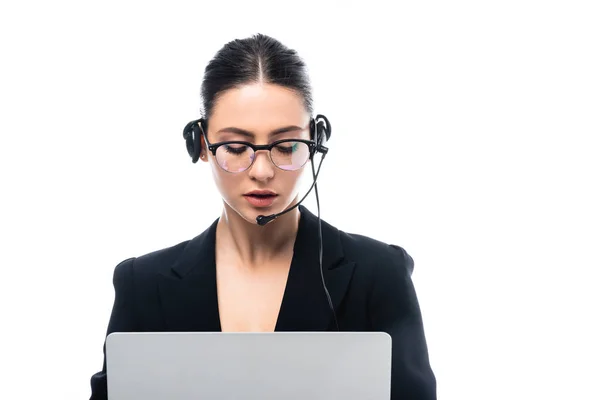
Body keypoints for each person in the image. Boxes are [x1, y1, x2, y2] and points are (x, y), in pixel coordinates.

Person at [89, 33, 436, 400]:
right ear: (201, 146)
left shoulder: (379, 274)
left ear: (316, 141)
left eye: (286, 146)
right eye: (237, 148)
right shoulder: (142, 284)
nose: (262, 171)